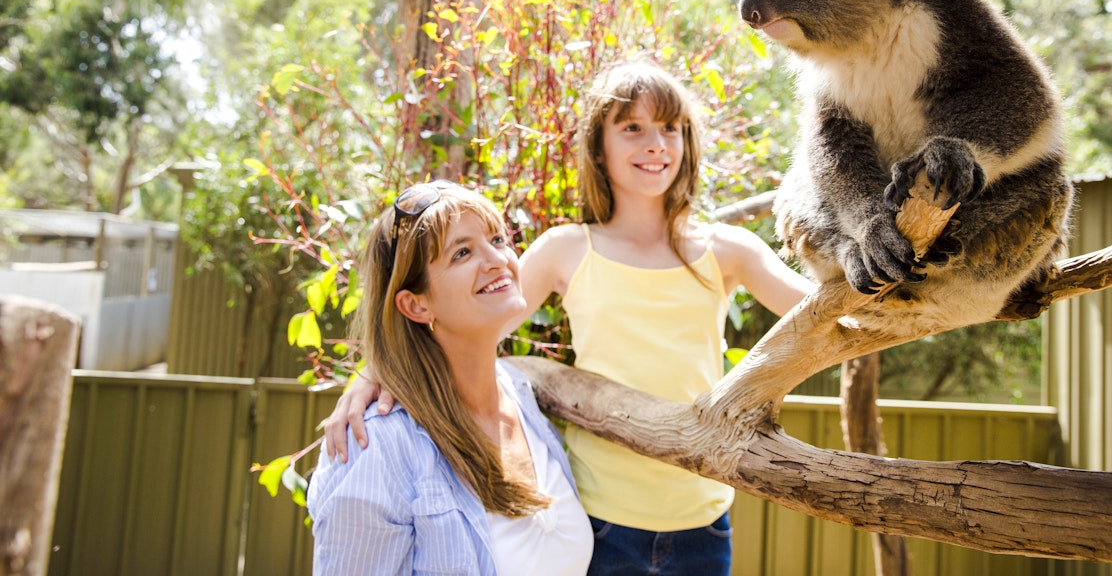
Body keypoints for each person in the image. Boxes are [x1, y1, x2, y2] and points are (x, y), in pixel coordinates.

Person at [324, 59, 818, 575]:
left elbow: (821, 314)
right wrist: (370, 376)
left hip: (703, 517)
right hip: (601, 518)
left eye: (670, 127)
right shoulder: (567, 250)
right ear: (599, 150)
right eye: (633, 128)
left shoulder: (728, 250)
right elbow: (463, 326)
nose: (656, 144)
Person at [307, 182, 593, 576]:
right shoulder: (376, 447)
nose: (497, 259)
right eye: (462, 253)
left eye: (497, 238)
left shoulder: (522, 397)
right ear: (415, 304)